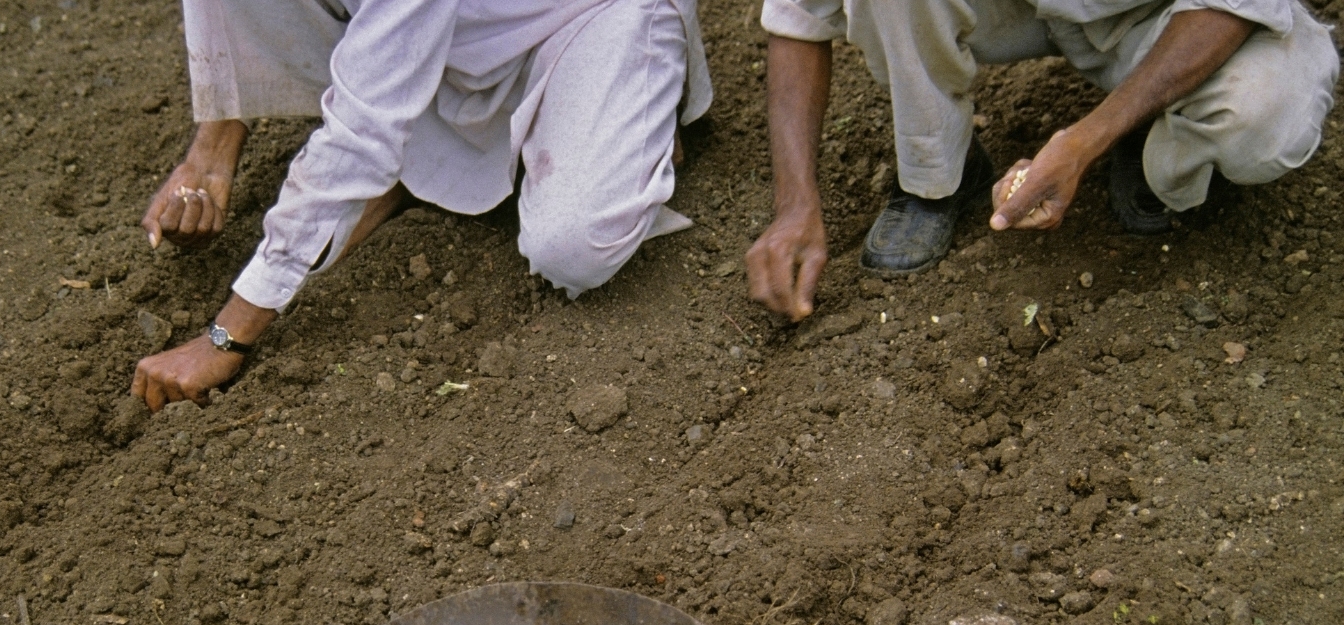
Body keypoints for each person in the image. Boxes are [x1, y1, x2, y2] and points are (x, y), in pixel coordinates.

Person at [130, 0, 712, 411]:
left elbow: (360, 130)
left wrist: (226, 336)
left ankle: (634, 109)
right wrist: (213, 148)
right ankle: (422, 154)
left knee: (574, 249)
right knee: (385, 81)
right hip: (442, 31)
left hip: (580, 19)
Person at [745, 0, 1339, 322]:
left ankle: (1152, 128)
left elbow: (1229, 7)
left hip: (1161, 16)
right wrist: (795, 202)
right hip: (1020, 10)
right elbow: (798, 18)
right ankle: (939, 174)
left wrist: (1086, 140)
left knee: (1265, 115)